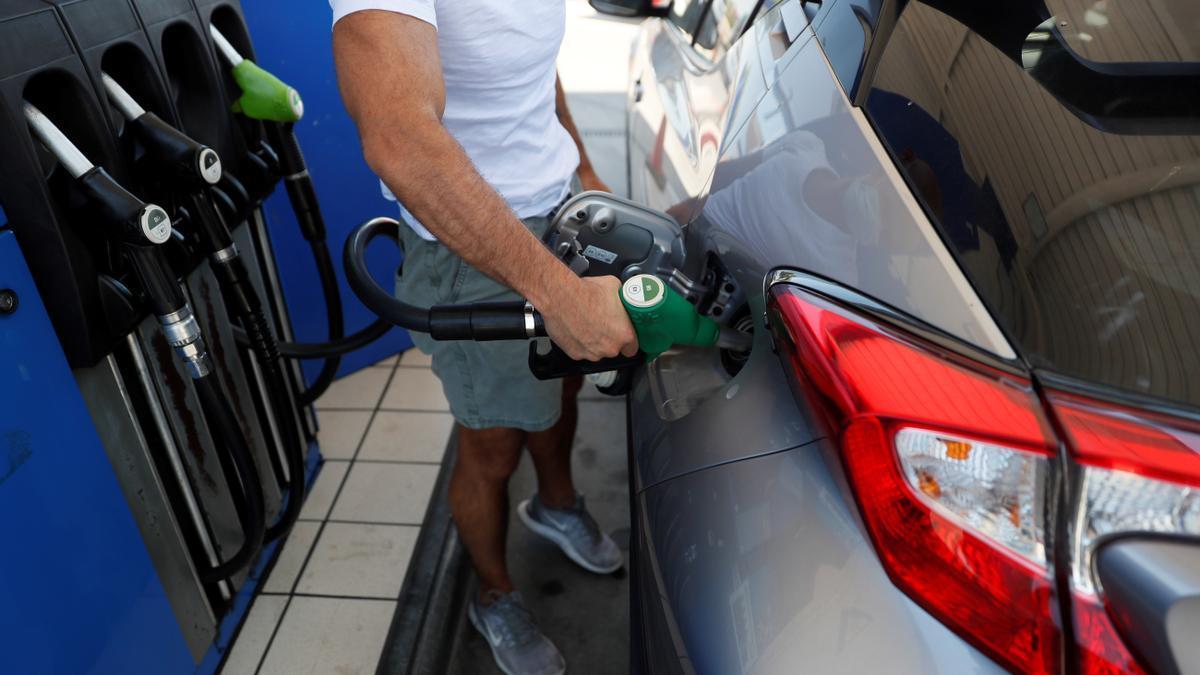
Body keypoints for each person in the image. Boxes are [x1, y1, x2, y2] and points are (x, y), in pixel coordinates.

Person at [329, 2, 639, 674]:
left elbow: (531, 69)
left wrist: (580, 166)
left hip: (557, 203)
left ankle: (555, 503)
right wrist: (558, 294)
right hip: (473, 242)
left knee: (563, 383)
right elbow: (399, 138)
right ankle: (494, 592)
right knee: (492, 444)